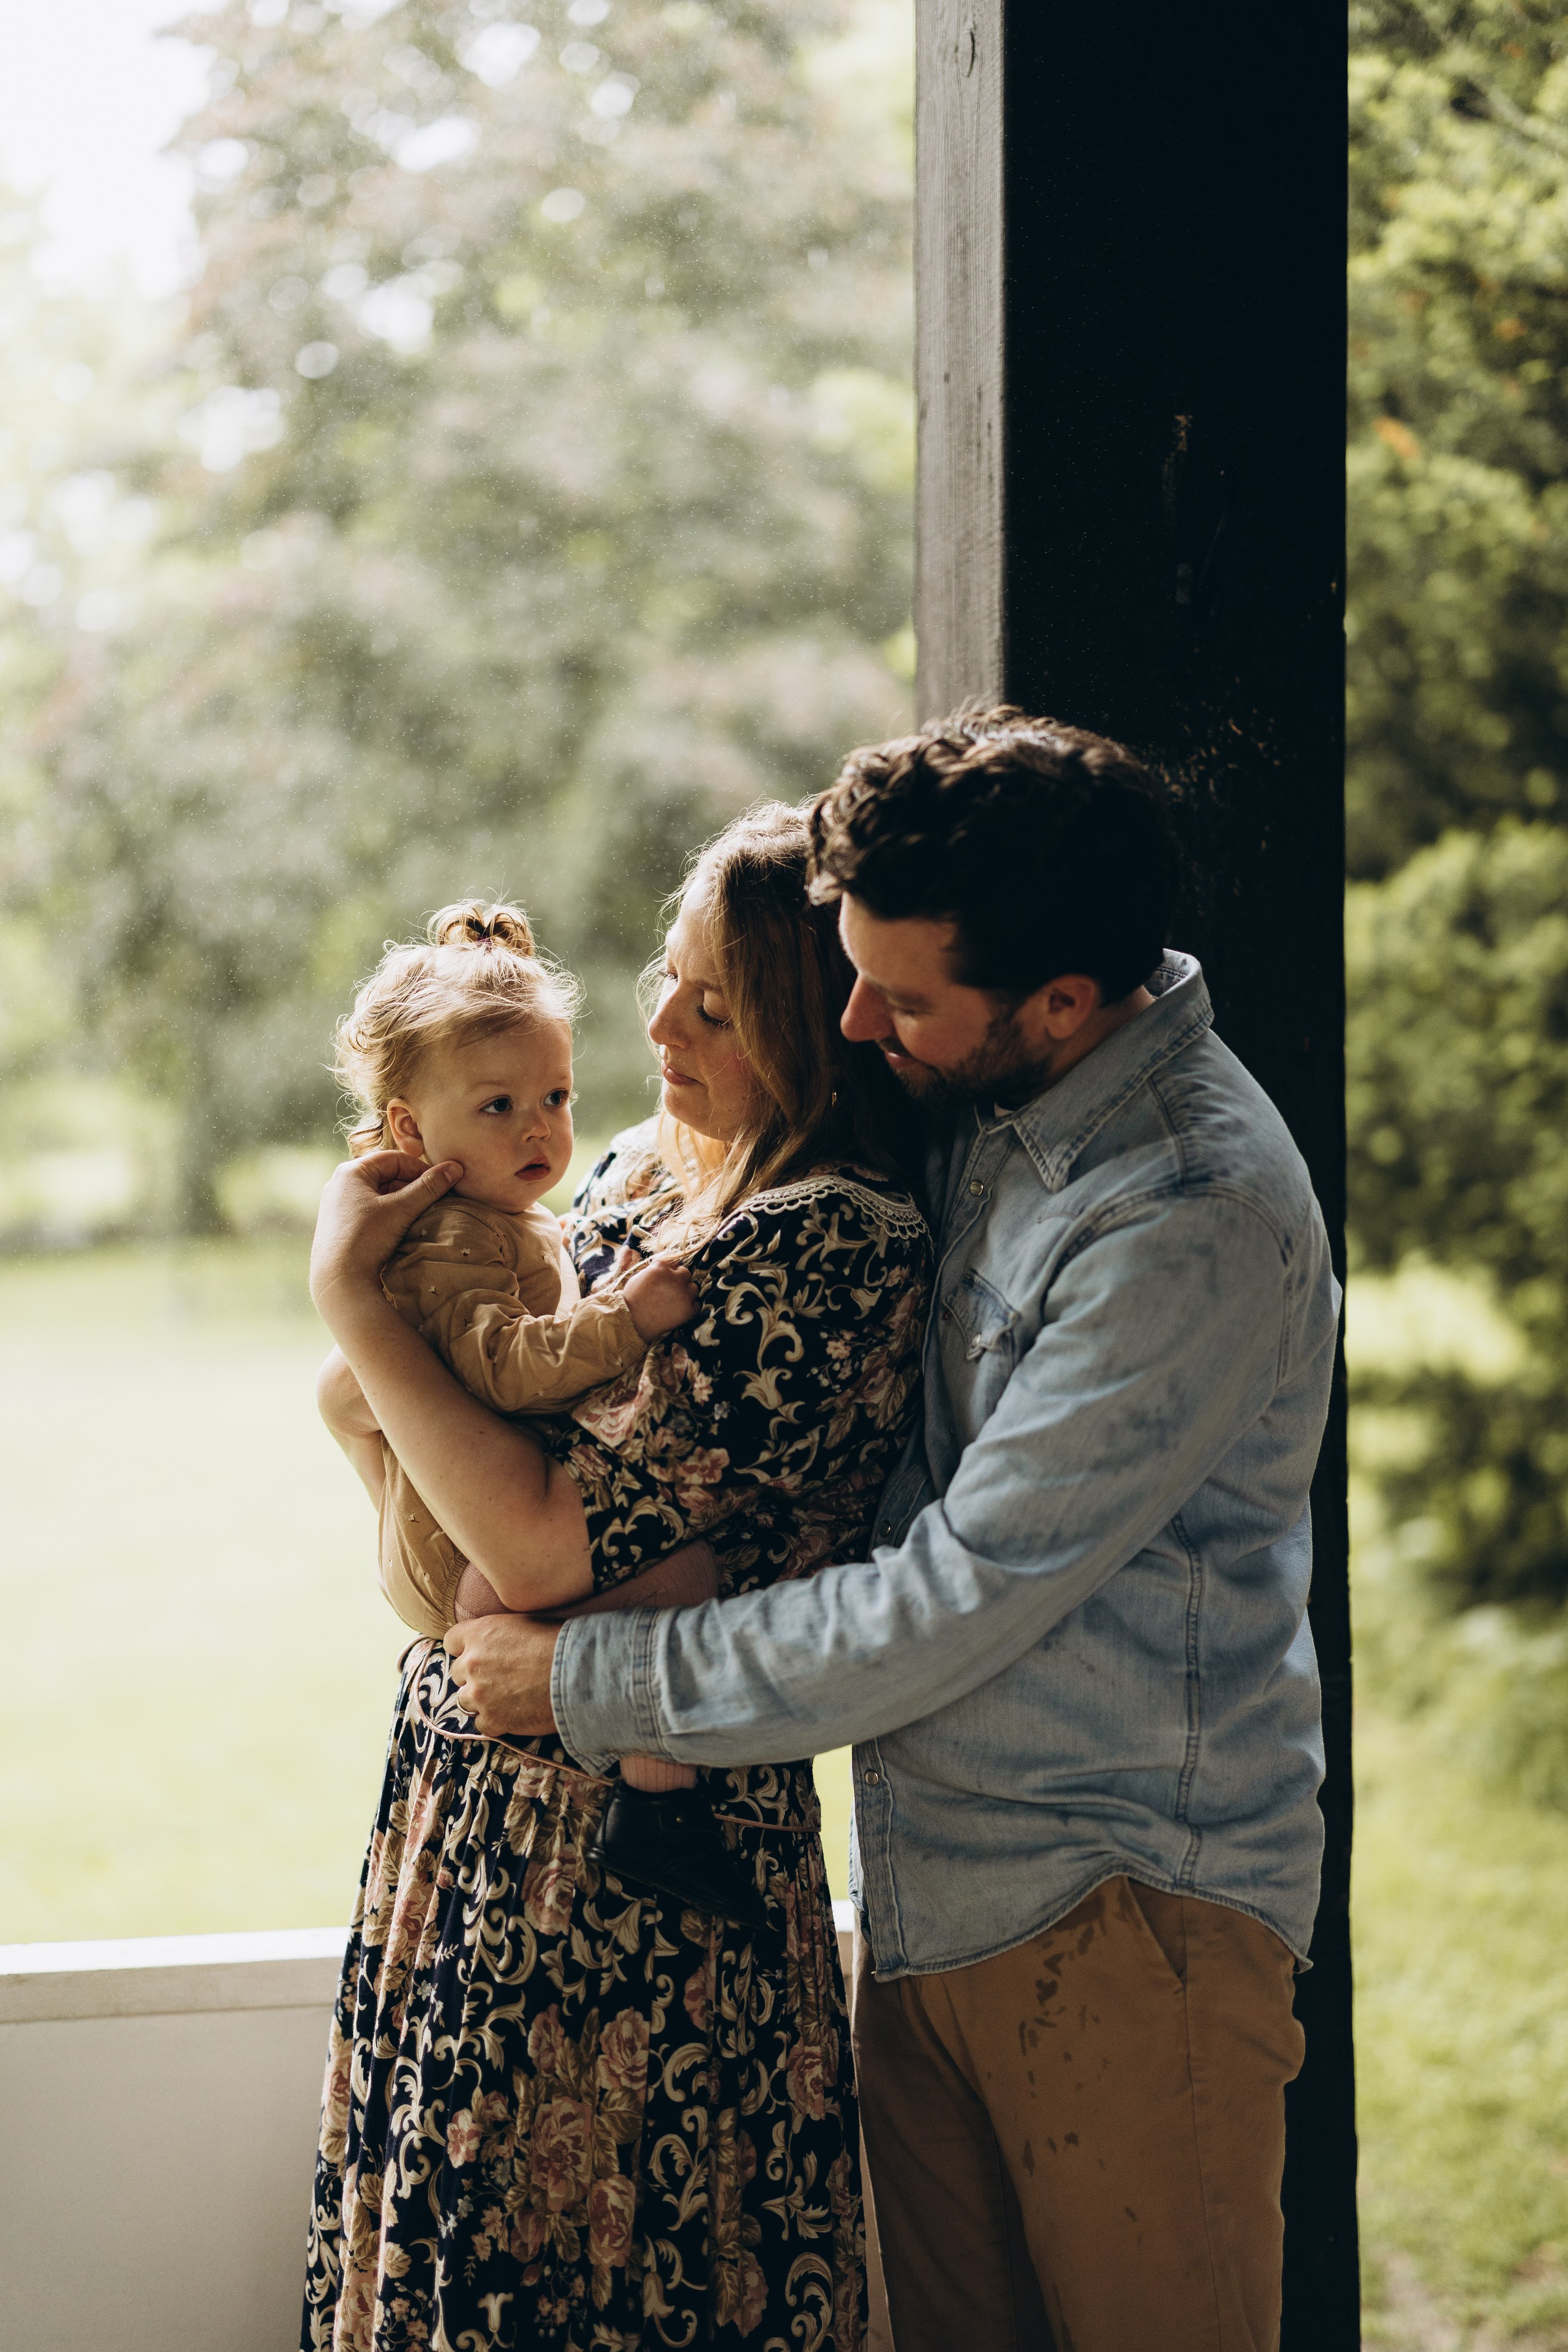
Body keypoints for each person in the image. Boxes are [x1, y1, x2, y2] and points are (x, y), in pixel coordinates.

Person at [447, 710, 1341, 2352]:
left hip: (1121, 1914)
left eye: (899, 996)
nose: (855, 1021)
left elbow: (949, 1600)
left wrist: (589, 1685)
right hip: (938, 1896)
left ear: (1063, 1001)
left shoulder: (1184, 1216)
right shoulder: (990, 1094)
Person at [302, 803, 932, 2351]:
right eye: (664, 971)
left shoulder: (821, 1241)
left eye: (714, 1004)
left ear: (812, 1025)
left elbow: (528, 1540)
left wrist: (345, 1298)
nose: (657, 1020)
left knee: (611, 2276)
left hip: (634, 1883)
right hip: (480, 1813)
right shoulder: (656, 1172)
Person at [317, 893, 761, 1917]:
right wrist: (629, 1316)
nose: (542, 1129)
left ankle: (658, 1809)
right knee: (682, 1573)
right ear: (408, 1129)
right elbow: (508, 1369)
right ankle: (663, 1819)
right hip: (465, 1560)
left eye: (555, 1097)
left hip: (465, 1535)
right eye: (498, 1107)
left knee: (679, 1573)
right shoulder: (450, 1244)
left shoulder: (506, 1220)